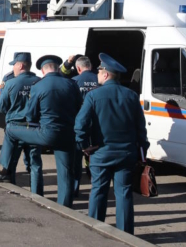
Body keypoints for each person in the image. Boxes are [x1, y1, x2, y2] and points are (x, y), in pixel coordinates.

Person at [75, 53, 149, 235]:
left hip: (100, 153)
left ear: (106, 74)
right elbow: (141, 128)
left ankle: (94, 232)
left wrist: (83, 146)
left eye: (99, 71)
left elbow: (80, 125)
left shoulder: (93, 96)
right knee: (124, 194)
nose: (97, 74)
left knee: (98, 192)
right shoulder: (132, 96)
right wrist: (141, 152)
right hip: (126, 154)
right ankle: (126, 236)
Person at [5, 55, 82, 205]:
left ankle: (5, 168)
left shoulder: (38, 86)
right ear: (58, 68)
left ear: (42, 70)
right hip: (67, 133)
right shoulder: (71, 84)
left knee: (10, 130)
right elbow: (79, 107)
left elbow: (31, 115)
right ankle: (65, 206)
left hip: (46, 133)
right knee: (66, 172)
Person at [0, 53, 41, 190]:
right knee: (35, 164)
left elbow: (1, 107)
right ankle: (37, 194)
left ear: (21, 65)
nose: (13, 68)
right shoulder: (40, 82)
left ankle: (13, 189)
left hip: (16, 127)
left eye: (14, 65)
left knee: (11, 161)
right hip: (35, 128)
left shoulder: (11, 83)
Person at [72, 55, 98, 195]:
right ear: (91, 66)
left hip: (79, 125)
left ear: (78, 68)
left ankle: (75, 189)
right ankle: (96, 187)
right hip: (97, 126)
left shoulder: (74, 81)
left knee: (76, 159)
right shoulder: (99, 79)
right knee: (94, 156)